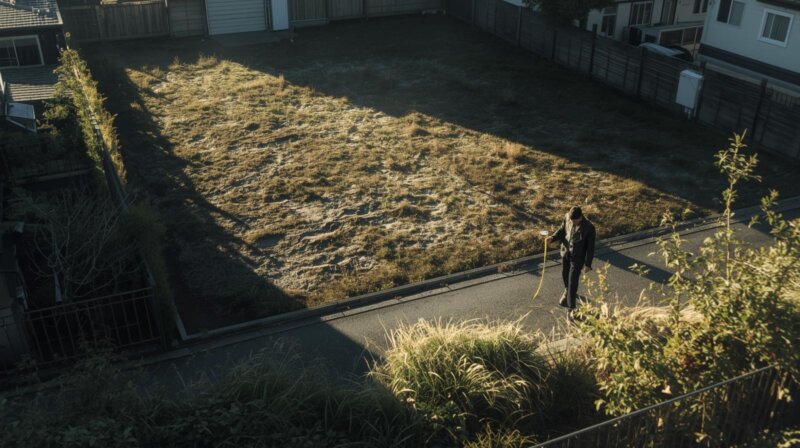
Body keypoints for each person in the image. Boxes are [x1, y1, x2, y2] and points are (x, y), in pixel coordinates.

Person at [548, 206, 596, 315]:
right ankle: (567, 290)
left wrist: (588, 264)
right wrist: (553, 237)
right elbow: (562, 230)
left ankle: (571, 306)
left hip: (578, 257)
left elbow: (590, 247)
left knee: (573, 280)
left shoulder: (589, 228)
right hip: (566, 251)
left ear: (581, 217)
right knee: (565, 273)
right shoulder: (567, 217)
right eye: (571, 220)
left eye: (575, 221)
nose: (572, 222)